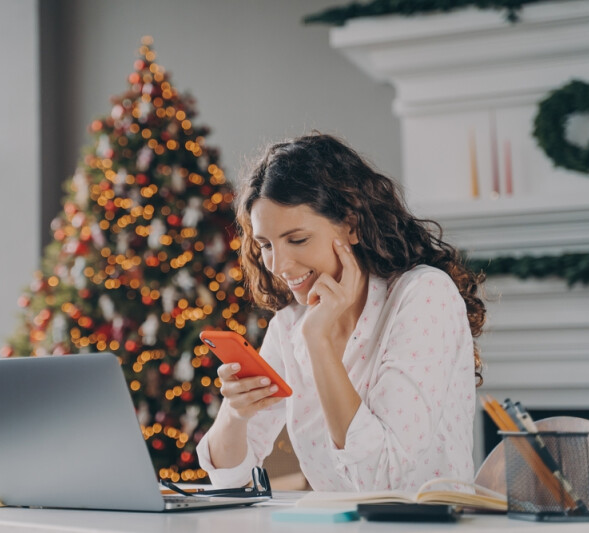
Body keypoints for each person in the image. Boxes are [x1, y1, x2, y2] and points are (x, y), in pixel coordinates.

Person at [195, 133, 485, 492]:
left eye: (297, 240)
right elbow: (227, 479)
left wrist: (319, 344)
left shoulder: (424, 295)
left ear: (351, 224)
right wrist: (235, 414)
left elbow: (384, 481)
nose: (280, 265)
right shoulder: (290, 323)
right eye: (265, 245)